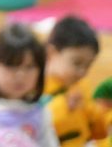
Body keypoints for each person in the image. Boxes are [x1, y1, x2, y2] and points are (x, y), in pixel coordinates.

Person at [43, 15, 112, 146]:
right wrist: (63, 106)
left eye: (88, 66)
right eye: (77, 63)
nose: (82, 72)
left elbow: (96, 127)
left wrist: (106, 116)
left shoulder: (80, 85)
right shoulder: (35, 85)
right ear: (51, 53)